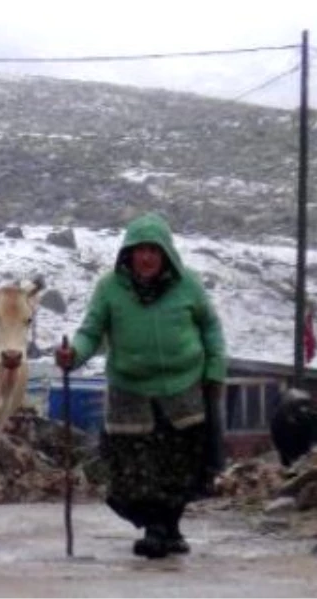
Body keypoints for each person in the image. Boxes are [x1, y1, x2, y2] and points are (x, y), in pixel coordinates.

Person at [55, 212, 226, 559]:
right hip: (130, 393)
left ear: (166, 253)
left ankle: (165, 529)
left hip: (184, 391)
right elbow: (91, 332)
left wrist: (215, 368)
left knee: (180, 466)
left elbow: (210, 327)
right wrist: (73, 355)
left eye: (154, 250)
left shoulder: (188, 284)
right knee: (135, 472)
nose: (146, 257)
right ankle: (157, 528)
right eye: (139, 249)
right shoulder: (109, 288)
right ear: (127, 254)